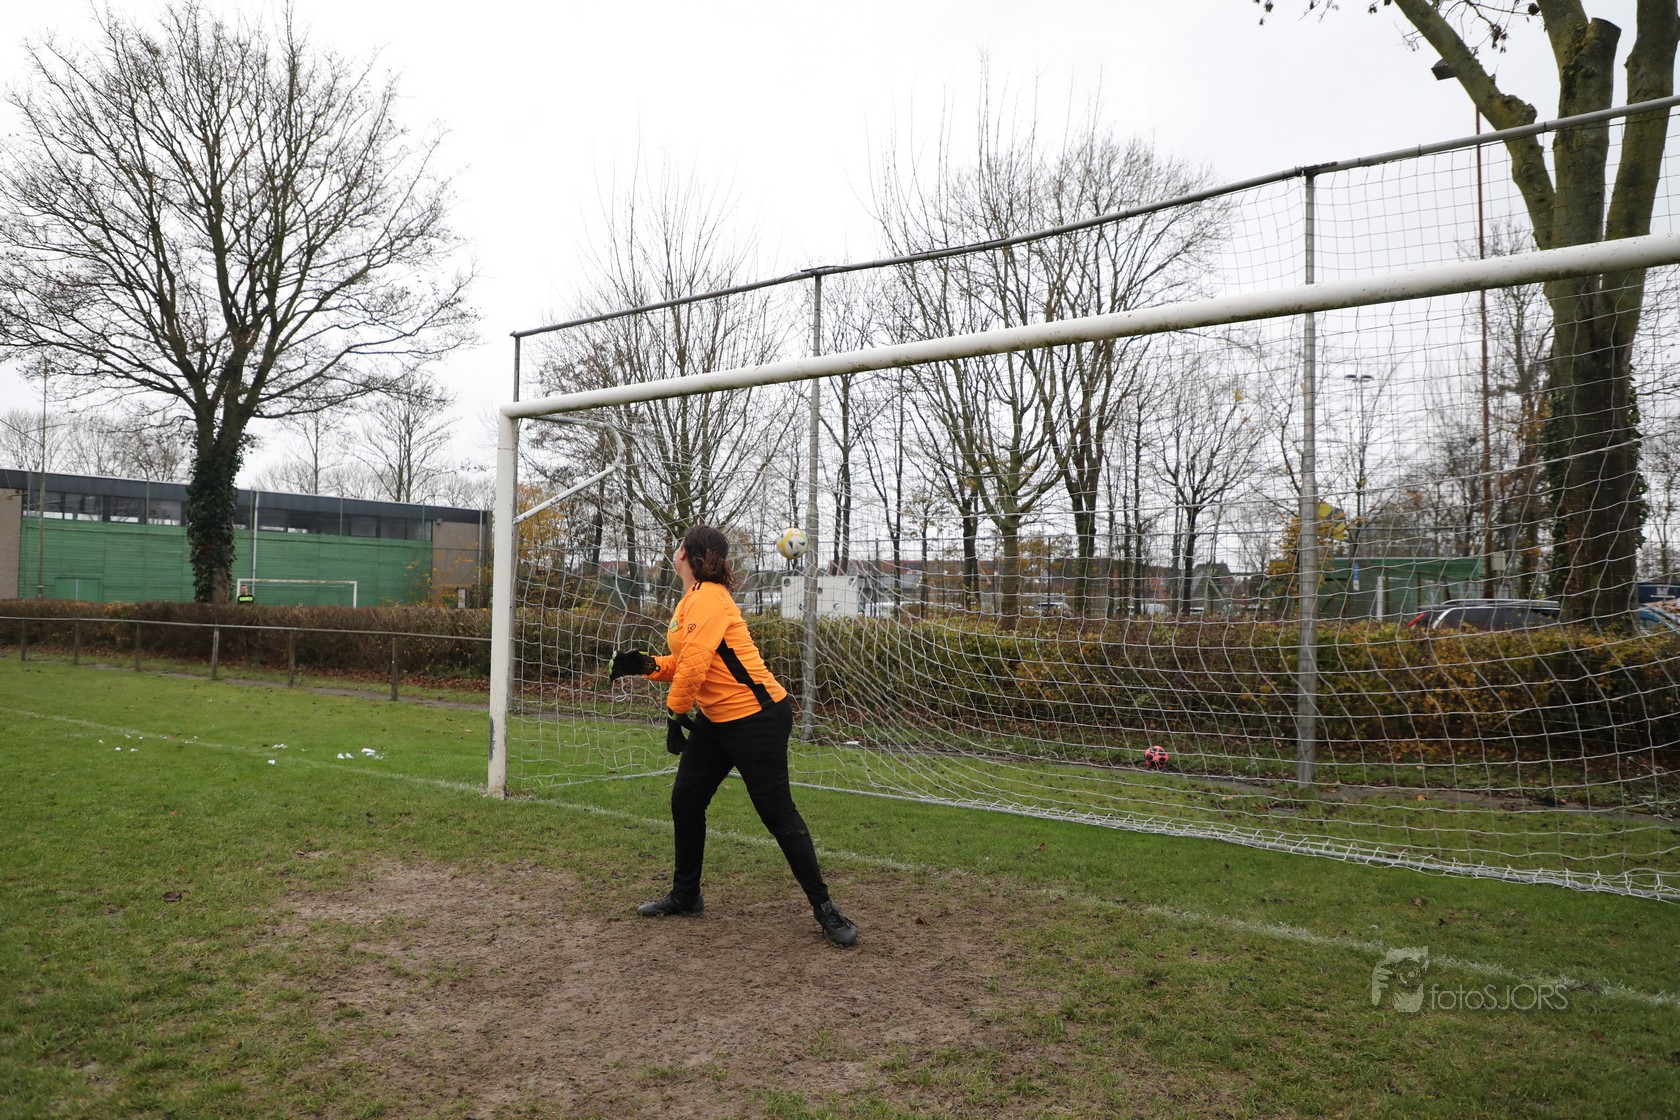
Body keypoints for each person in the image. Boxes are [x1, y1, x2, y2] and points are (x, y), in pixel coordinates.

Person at [610, 524, 858, 947]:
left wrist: (674, 714)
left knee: (777, 814)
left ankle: (825, 909)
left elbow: (696, 664)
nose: (675, 549)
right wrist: (648, 665)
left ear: (686, 554)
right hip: (717, 719)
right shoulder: (691, 598)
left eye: (678, 544)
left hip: (758, 718)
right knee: (687, 799)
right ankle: (686, 895)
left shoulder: (708, 597)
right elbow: (688, 660)